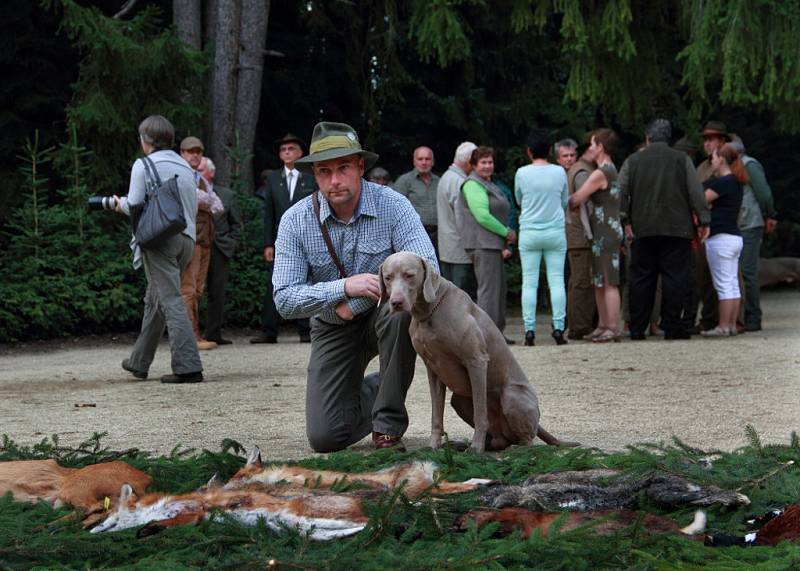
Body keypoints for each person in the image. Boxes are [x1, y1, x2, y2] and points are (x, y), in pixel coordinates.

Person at [272, 121, 437, 452]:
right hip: (332, 326)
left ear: (360, 166)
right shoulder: (295, 220)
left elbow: (426, 270)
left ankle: (388, 426)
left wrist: (359, 301)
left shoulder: (394, 205)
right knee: (326, 437)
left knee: (401, 314)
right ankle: (383, 384)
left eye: (344, 168)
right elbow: (284, 299)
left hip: (387, 316)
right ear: (313, 175)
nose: (334, 180)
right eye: (324, 171)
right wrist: (345, 289)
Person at [113, 115, 203, 384]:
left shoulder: (143, 165)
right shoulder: (185, 167)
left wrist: (116, 204)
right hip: (187, 240)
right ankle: (139, 362)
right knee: (155, 300)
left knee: (171, 299)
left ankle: (188, 366)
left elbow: (134, 205)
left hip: (160, 240)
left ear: (146, 140)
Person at [619, 118, 710, 340]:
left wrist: (625, 219)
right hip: (677, 228)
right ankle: (672, 326)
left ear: (647, 137)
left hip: (643, 227)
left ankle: (638, 328)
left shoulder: (633, 160)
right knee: (676, 277)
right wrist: (704, 220)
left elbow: (621, 190)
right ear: (668, 138)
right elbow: (695, 191)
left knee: (641, 278)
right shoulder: (681, 159)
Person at [251, 134, 316, 344]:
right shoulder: (273, 178)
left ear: (300, 153)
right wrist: (268, 243)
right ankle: (269, 330)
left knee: (306, 280)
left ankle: (305, 330)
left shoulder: (311, 177)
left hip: (308, 236)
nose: (287, 152)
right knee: (274, 282)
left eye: (291, 148)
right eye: (283, 149)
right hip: (281, 239)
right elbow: (268, 213)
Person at [456, 146, 517, 343]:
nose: (488, 166)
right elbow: (482, 216)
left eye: (490, 162)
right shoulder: (473, 184)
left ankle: (496, 334)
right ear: (473, 165)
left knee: (497, 289)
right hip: (482, 244)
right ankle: (486, 335)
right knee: (489, 291)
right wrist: (506, 232)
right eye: (483, 162)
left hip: (492, 244)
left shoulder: (488, 183)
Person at [514, 129, 568, 346]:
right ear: (550, 150)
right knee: (556, 281)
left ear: (529, 151)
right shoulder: (559, 172)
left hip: (529, 232)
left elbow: (519, 199)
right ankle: (558, 328)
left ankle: (529, 330)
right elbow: (564, 200)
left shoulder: (522, 173)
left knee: (529, 283)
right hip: (555, 231)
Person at [568, 129, 623, 343]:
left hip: (606, 229)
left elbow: (577, 199)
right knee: (600, 279)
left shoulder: (602, 173)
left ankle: (612, 326)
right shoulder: (607, 170)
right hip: (603, 228)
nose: (589, 148)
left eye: (592, 144)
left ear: (600, 146)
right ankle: (603, 324)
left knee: (608, 280)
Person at [728, 136, 778, 332]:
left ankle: (753, 317)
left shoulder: (750, 165)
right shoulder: (732, 166)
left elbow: (764, 194)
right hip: (739, 224)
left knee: (748, 271)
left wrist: (770, 215)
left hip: (750, 224)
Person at [179, 137, 224, 351]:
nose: (194, 155)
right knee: (188, 289)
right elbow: (196, 199)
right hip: (191, 239)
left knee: (197, 290)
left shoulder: (200, 178)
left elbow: (218, 206)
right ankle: (191, 337)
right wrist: (205, 200)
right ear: (182, 154)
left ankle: (194, 334)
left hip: (205, 239)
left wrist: (204, 200)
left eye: (198, 151)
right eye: (190, 151)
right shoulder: (181, 174)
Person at [700, 143, 747, 337]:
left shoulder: (722, 183)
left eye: (714, 156)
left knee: (723, 285)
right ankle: (731, 325)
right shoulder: (736, 181)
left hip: (721, 239)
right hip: (734, 237)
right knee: (732, 283)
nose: (711, 160)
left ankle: (723, 325)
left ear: (721, 160)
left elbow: (700, 200)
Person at [200, 158, 243, 345]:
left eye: (201, 169)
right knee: (193, 292)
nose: (197, 172)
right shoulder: (186, 192)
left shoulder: (227, 195)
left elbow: (237, 224)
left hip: (220, 249)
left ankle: (213, 333)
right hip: (196, 247)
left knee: (217, 293)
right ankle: (192, 333)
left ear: (211, 173)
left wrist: (231, 242)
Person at [565, 139, 598, 340]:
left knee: (577, 281)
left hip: (576, 234)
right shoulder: (582, 172)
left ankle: (579, 324)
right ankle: (580, 326)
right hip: (580, 235)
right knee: (582, 281)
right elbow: (585, 205)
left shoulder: (578, 169)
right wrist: (591, 233)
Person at [436, 142, 478, 299]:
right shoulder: (459, 182)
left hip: (447, 246)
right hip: (460, 248)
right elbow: (463, 217)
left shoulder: (446, 177)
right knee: (461, 296)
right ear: (468, 161)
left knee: (448, 295)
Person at [392, 146, 440, 253]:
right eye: (420, 159)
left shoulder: (438, 181)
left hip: (438, 234)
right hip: (415, 233)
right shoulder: (404, 181)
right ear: (414, 162)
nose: (424, 162)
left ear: (432, 162)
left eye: (427, 159)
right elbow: (395, 208)